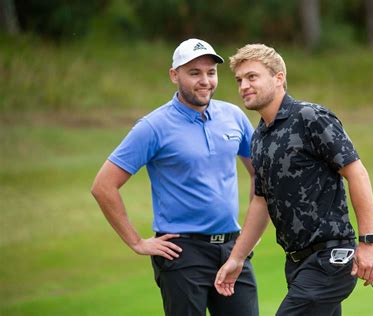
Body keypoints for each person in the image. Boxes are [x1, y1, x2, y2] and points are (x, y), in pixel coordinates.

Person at [91, 38, 259, 316]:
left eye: (211, 72)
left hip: (233, 249)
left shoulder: (233, 116)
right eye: (194, 73)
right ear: (174, 75)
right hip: (182, 253)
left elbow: (260, 174)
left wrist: (249, 233)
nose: (205, 80)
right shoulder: (153, 126)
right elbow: (103, 186)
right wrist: (137, 242)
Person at [214, 44, 373, 315]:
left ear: (278, 78)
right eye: (239, 80)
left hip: (331, 259)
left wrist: (368, 243)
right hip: (296, 265)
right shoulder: (259, 138)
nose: (243, 85)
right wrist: (237, 258)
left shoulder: (310, 117)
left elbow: (356, 173)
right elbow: (260, 201)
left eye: (252, 77)